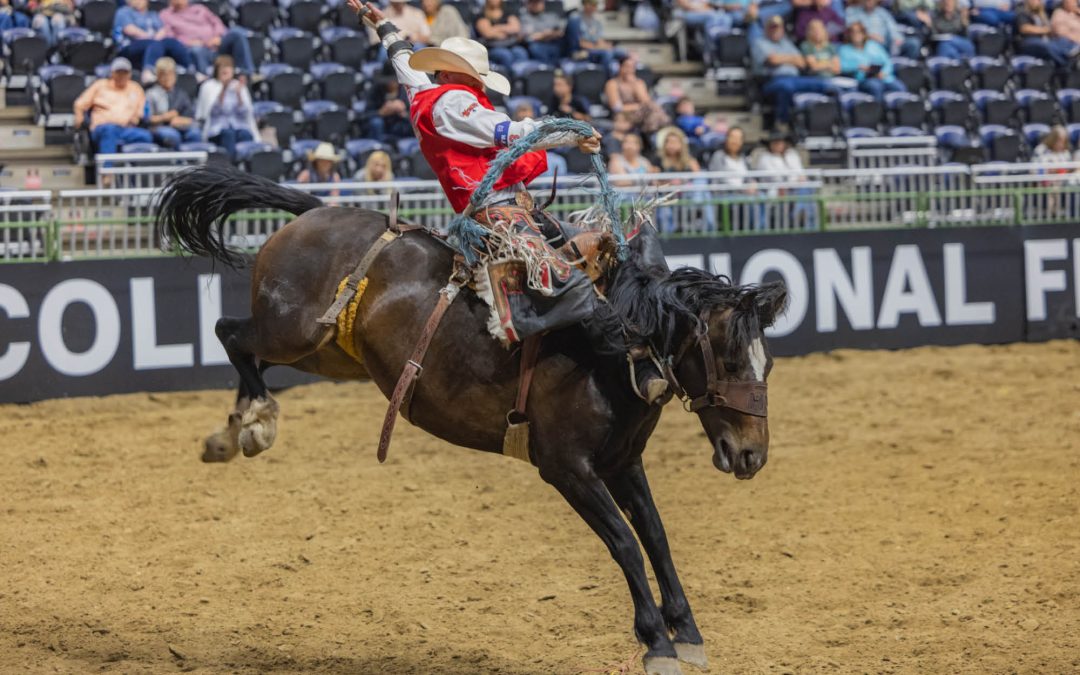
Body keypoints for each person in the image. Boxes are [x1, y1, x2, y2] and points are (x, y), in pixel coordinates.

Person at [348, 0, 669, 402]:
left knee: (595, 250)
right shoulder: (453, 103)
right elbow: (510, 132)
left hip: (509, 208)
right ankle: (625, 357)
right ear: (460, 74)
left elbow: (404, 64)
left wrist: (385, 28)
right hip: (497, 215)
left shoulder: (427, 95)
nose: (482, 86)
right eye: (477, 78)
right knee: (564, 277)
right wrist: (570, 133)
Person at [73, 57, 153, 177]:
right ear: (112, 73)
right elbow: (79, 104)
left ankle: (136, 177)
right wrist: (79, 116)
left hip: (126, 129)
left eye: (125, 72)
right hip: (102, 128)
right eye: (119, 72)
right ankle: (107, 174)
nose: (122, 75)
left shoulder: (135, 88)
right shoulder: (100, 85)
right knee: (110, 131)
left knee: (146, 136)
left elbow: (141, 111)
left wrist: (136, 117)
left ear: (130, 74)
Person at [752, 16, 832, 124]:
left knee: (822, 83)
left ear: (782, 29)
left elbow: (802, 62)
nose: (775, 30)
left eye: (778, 27)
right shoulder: (759, 43)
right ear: (766, 29)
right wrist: (791, 59)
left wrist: (782, 58)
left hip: (795, 78)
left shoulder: (786, 43)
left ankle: (822, 122)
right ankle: (782, 122)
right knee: (786, 87)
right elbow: (773, 60)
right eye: (772, 27)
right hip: (771, 80)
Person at [160, 0, 256, 75]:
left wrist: (218, 36)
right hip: (196, 48)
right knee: (197, 50)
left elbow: (216, 22)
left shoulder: (200, 9)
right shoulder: (166, 15)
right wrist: (189, 42)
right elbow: (170, 37)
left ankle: (246, 72)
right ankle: (207, 79)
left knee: (236, 36)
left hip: (216, 44)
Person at [195, 55, 259, 159]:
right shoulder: (208, 86)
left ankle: (245, 168)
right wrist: (224, 89)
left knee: (245, 134)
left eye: (228, 67)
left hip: (237, 126)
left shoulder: (239, 86)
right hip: (216, 130)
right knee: (228, 134)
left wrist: (239, 95)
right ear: (217, 70)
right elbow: (211, 112)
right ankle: (230, 168)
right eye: (222, 67)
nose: (226, 69)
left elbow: (245, 113)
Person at [654, 126, 715, 233]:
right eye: (669, 142)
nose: (672, 145)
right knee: (665, 212)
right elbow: (654, 182)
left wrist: (682, 182)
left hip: (687, 195)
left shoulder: (689, 160)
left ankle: (710, 227)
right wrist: (670, 183)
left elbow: (697, 176)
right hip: (667, 196)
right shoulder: (658, 160)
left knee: (702, 180)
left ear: (681, 144)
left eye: (675, 142)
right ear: (664, 145)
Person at [113, 0, 193, 83]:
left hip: (154, 43)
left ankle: (190, 70)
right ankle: (148, 71)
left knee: (172, 42)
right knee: (155, 44)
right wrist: (151, 38)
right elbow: (130, 30)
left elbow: (163, 30)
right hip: (131, 46)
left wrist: (156, 38)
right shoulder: (124, 12)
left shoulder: (153, 14)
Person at [753, 129, 817, 229]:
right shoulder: (765, 158)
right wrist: (794, 181)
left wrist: (795, 181)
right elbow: (776, 178)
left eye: (780, 142)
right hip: (775, 192)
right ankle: (797, 217)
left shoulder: (792, 154)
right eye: (774, 142)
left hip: (796, 189)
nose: (777, 144)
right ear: (769, 144)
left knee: (807, 189)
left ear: (784, 143)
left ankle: (807, 222)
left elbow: (801, 174)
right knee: (801, 191)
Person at [708, 127, 764, 230]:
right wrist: (743, 189)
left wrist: (753, 183)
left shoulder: (743, 157)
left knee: (764, 197)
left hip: (744, 193)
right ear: (726, 139)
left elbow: (750, 176)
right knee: (752, 202)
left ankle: (764, 230)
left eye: (739, 138)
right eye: (732, 137)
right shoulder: (718, 156)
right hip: (725, 194)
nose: (735, 141)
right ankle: (754, 232)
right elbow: (720, 180)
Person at [603, 53, 671, 135]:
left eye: (632, 67)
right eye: (627, 66)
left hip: (642, 114)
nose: (629, 70)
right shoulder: (612, 84)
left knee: (654, 112)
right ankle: (658, 136)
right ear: (620, 67)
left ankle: (656, 136)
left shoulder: (638, 82)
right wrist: (638, 106)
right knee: (654, 114)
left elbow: (647, 102)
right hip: (623, 115)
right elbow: (617, 108)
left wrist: (635, 86)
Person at [839, 21, 905, 102]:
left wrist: (884, 73)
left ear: (864, 33)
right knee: (876, 86)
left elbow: (887, 62)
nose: (856, 34)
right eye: (853, 32)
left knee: (899, 87)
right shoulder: (844, 50)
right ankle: (879, 112)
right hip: (863, 79)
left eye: (859, 31)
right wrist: (857, 66)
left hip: (883, 77)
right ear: (849, 34)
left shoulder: (874, 45)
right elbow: (841, 66)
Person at [146, 57, 201, 148]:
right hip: (159, 127)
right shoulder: (151, 94)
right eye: (164, 75)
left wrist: (182, 120)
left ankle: (193, 162)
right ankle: (178, 162)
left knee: (195, 133)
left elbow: (191, 117)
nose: (167, 78)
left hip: (181, 126)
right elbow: (147, 119)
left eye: (170, 74)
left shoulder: (181, 94)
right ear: (158, 76)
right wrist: (164, 117)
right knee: (172, 135)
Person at [846, 0, 919, 58]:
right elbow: (851, 31)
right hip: (864, 45)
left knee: (913, 43)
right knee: (872, 45)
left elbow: (893, 30)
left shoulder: (883, 13)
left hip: (886, 46)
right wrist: (869, 36)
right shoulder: (852, 11)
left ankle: (905, 69)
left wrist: (897, 38)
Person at [1016, 0, 1076, 68]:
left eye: (1039, 1)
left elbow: (1050, 29)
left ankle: (1072, 53)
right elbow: (1024, 28)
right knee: (1046, 46)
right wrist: (1044, 30)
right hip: (1028, 41)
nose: (1037, 2)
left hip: (1044, 40)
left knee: (1063, 40)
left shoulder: (1042, 14)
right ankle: (1065, 63)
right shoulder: (1023, 13)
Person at [474, 0, 529, 69]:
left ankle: (521, 76)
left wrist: (496, 28)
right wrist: (506, 29)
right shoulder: (482, 15)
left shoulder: (508, 12)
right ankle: (509, 77)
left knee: (520, 52)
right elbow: (488, 33)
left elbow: (516, 28)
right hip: (492, 47)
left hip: (511, 45)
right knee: (505, 55)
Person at [565, 0, 616, 72]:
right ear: (585, 4)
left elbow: (599, 40)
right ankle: (606, 78)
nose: (594, 7)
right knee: (607, 54)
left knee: (619, 52)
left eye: (595, 5)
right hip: (579, 53)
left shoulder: (596, 21)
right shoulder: (575, 19)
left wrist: (605, 46)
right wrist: (598, 48)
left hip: (595, 51)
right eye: (591, 4)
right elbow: (580, 43)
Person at [520, 0, 567, 65]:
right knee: (535, 47)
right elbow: (530, 38)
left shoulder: (551, 16)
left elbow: (561, 32)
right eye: (534, 3)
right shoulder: (525, 18)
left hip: (554, 43)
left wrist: (546, 34)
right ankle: (548, 69)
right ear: (528, 4)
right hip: (537, 45)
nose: (537, 5)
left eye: (539, 2)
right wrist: (546, 34)